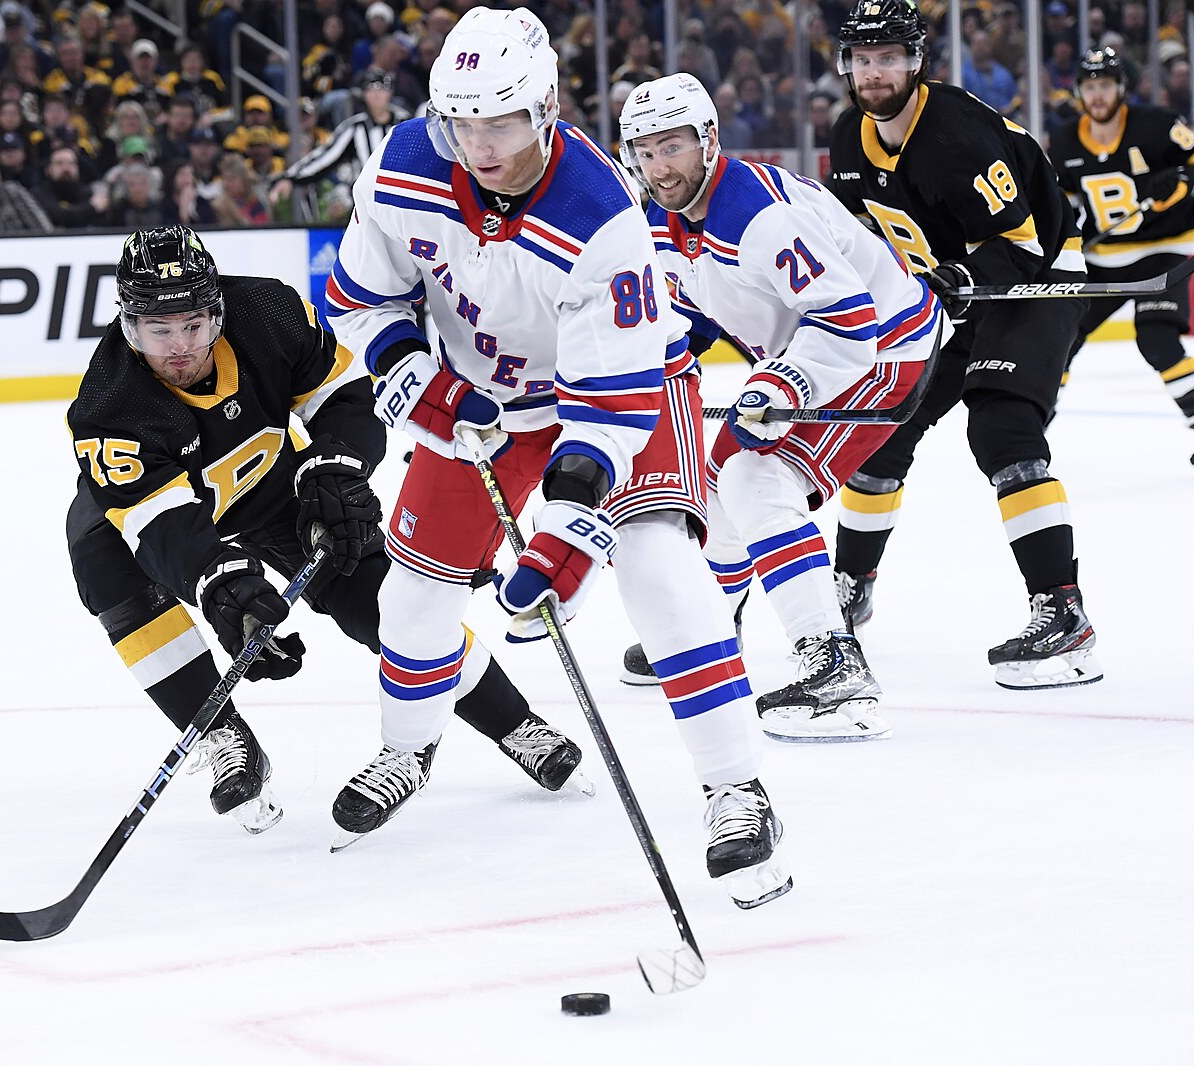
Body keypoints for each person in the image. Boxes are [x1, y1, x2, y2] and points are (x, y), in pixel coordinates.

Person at [326, 7, 789, 906]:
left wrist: (572, 525)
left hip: (620, 392)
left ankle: (737, 788)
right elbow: (359, 299)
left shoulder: (599, 212)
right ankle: (406, 750)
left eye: (500, 123)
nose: (479, 147)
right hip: (481, 400)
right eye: (461, 123)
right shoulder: (402, 166)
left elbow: (609, 401)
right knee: (411, 593)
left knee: (655, 563)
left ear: (545, 109)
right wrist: (417, 377)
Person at [65, 226, 587, 833]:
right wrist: (221, 585)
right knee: (104, 567)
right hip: (155, 519)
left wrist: (336, 465)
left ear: (218, 312)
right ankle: (220, 732)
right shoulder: (109, 405)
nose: (180, 347)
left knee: (379, 602)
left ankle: (516, 723)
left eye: (194, 325)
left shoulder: (266, 312)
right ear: (129, 326)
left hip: (269, 487)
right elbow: (162, 524)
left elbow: (346, 397)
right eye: (160, 330)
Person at [615, 73, 944, 742]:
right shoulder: (659, 219)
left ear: (709, 139)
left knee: (755, 477)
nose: (659, 167)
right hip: (812, 344)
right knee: (716, 480)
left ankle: (833, 661)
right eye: (645, 152)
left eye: (672, 147)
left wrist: (782, 384)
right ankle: (711, 627)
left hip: (885, 348)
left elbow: (848, 321)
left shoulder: (758, 214)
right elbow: (689, 313)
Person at [825, 0, 1101, 691]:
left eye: (890, 57)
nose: (875, 72)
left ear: (916, 61)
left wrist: (954, 278)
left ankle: (1063, 613)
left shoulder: (956, 132)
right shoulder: (849, 136)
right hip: (955, 295)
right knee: (880, 429)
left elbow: (1020, 245)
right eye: (864, 59)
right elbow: (851, 238)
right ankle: (848, 591)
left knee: (1002, 428)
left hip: (1034, 279)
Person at [1049, 47, 1194, 478]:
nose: (1097, 95)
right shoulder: (1064, 140)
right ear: (1079, 92)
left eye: (1105, 85)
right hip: (1102, 258)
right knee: (1057, 337)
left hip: (1163, 250)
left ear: (1121, 88)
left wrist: (1185, 179)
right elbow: (1062, 205)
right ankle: (1031, 424)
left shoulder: (1156, 125)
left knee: (1156, 338)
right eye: (1089, 87)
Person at [271, 67, 407, 222]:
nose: (376, 94)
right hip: (365, 209)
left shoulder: (406, 124)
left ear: (390, 92)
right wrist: (292, 177)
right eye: (371, 88)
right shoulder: (355, 127)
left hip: (403, 205)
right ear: (364, 94)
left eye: (381, 88)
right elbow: (325, 157)